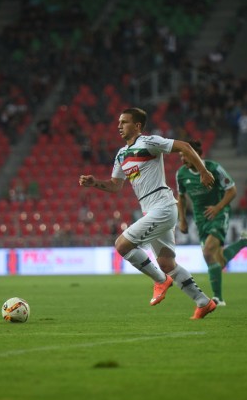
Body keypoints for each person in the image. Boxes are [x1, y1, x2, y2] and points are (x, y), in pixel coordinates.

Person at [79, 108, 217, 319]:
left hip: (162, 206)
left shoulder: (149, 142)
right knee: (166, 263)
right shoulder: (121, 155)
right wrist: (94, 183)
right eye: (118, 122)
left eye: (124, 122)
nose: (119, 126)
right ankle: (203, 302)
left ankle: (160, 281)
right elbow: (115, 186)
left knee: (122, 245)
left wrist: (203, 171)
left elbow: (185, 146)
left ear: (138, 126)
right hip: (151, 209)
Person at [176, 140, 247, 306]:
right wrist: (183, 220)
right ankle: (245, 241)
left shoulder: (214, 168)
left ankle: (218, 299)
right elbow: (181, 197)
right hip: (200, 220)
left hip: (219, 215)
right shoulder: (181, 174)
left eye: (185, 155)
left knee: (208, 252)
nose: (182, 159)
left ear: (198, 156)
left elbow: (232, 190)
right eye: (181, 155)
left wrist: (218, 207)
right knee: (217, 261)